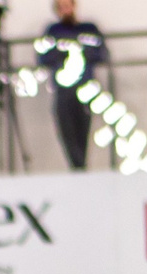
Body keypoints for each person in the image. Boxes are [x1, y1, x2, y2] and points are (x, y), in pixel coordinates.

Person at [33, 0, 111, 172]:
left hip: (85, 90)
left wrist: (77, 49)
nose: (66, 10)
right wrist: (65, 50)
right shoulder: (53, 31)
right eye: (62, 7)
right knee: (67, 132)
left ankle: (81, 169)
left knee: (83, 132)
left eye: (68, 5)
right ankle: (76, 169)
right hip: (63, 91)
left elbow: (102, 53)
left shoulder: (89, 29)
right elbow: (42, 58)